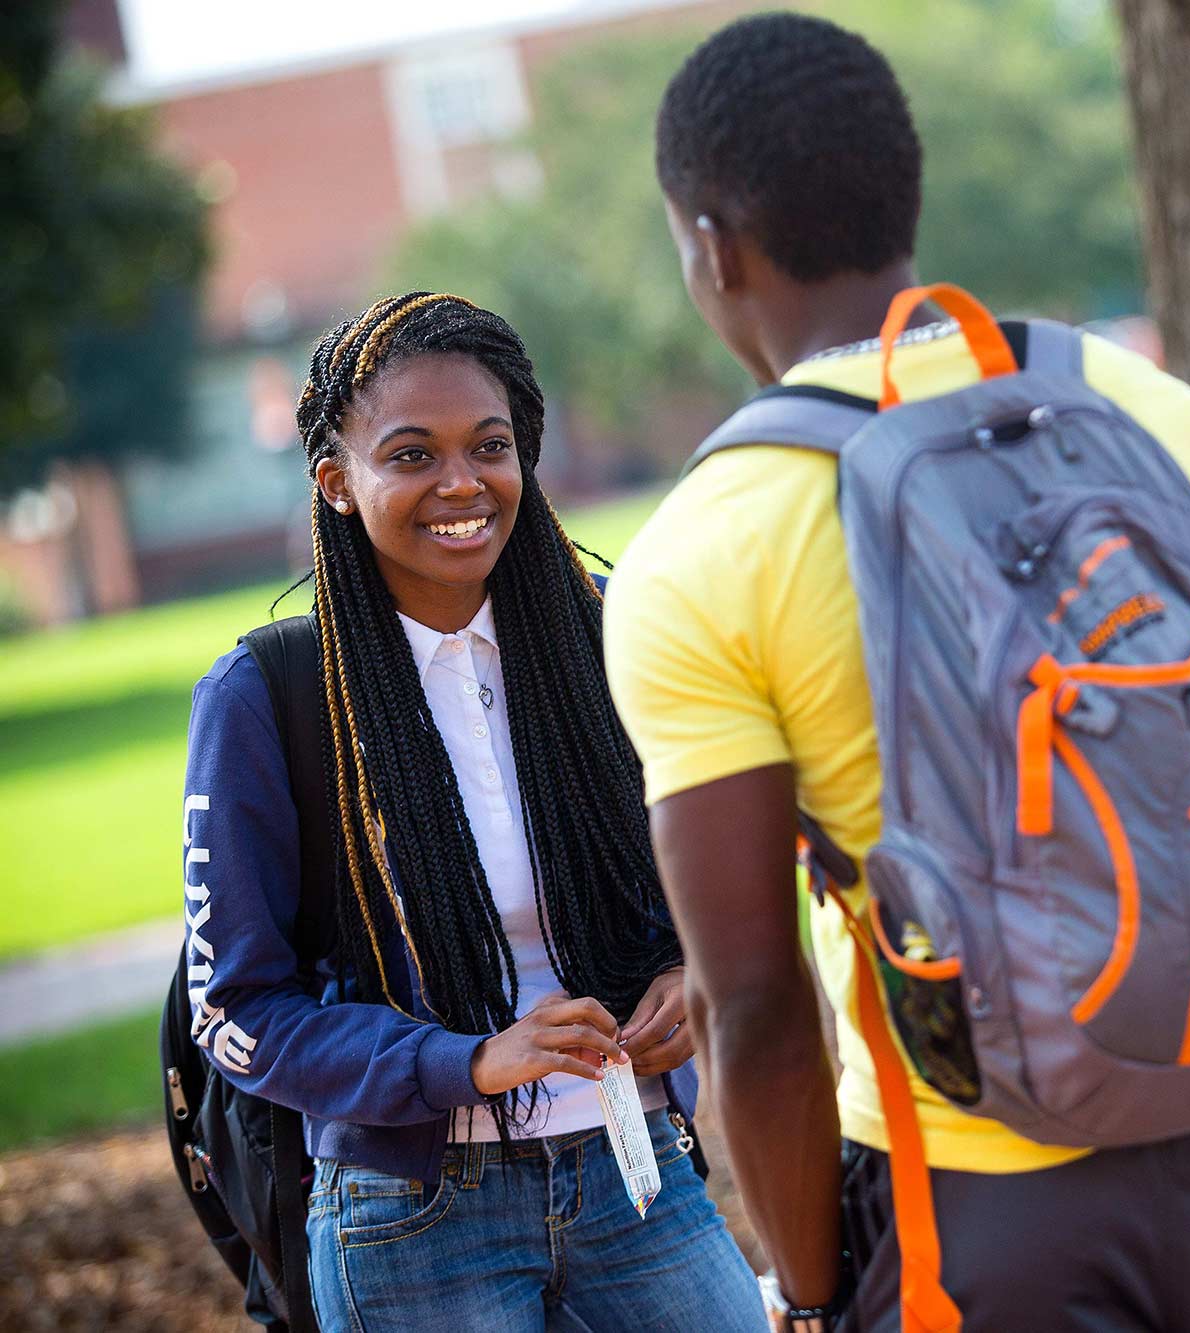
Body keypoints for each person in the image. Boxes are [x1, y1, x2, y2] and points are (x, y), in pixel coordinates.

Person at [605, 14, 1190, 1330]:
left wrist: (810, 1291)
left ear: (711, 248)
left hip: (962, 1201)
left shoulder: (704, 551)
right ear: (907, 191)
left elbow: (755, 1004)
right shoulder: (1157, 414)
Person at [181, 292, 767, 1332]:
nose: (461, 482)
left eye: (488, 446)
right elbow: (235, 1012)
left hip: (636, 1176)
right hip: (412, 1222)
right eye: (410, 454)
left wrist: (688, 968)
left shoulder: (607, 637)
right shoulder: (268, 694)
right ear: (337, 483)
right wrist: (463, 1063)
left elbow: (714, 865)